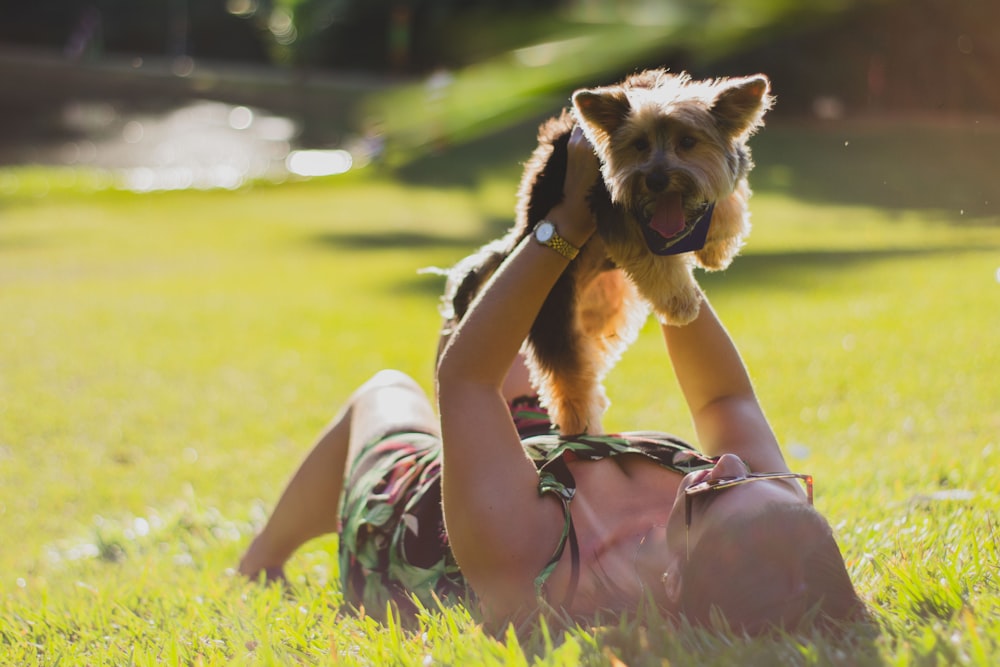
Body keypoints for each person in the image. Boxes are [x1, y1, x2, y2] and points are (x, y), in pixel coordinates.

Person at [239, 128, 865, 633]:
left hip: (416, 524)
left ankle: (261, 559)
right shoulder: (762, 513)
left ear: (674, 581)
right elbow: (724, 397)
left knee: (386, 394)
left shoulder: (540, 566)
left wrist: (566, 223)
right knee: (488, 307)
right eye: (761, 480)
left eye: (710, 496)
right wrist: (658, 242)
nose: (728, 464)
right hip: (552, 460)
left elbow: (464, 377)